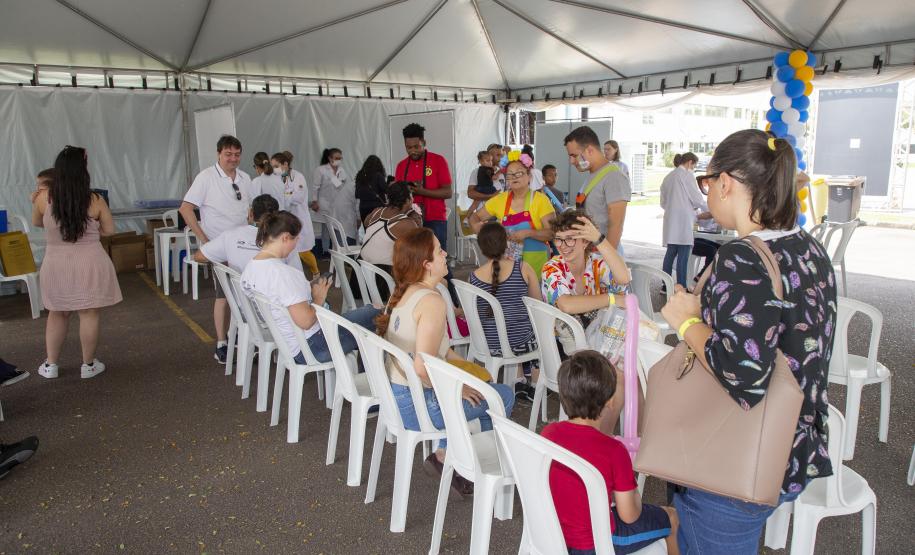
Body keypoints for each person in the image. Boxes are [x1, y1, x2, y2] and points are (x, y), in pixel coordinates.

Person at [660, 129, 837, 554]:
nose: (708, 193)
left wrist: (687, 323)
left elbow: (743, 375)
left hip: (735, 463)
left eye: (708, 182)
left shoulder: (742, 258)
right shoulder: (808, 248)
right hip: (793, 450)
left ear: (725, 182)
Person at [375, 227, 515, 496]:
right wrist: (459, 389)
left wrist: (468, 373)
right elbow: (422, 367)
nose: (445, 254)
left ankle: (444, 452)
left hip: (400, 395)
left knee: (483, 384)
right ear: (426, 264)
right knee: (503, 396)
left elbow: (439, 353)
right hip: (419, 405)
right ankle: (476, 470)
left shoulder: (408, 291)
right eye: (439, 251)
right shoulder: (432, 300)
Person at [542, 350, 679, 555]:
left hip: (554, 536)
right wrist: (635, 496)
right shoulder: (614, 450)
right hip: (598, 543)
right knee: (672, 517)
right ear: (610, 402)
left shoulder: (549, 432)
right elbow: (630, 516)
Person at [240, 211, 380, 364]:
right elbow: (306, 322)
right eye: (296, 238)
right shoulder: (283, 274)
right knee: (380, 316)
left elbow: (283, 297)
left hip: (289, 343)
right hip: (313, 346)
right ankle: (373, 382)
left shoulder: (251, 267)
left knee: (370, 311)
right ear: (285, 237)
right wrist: (318, 298)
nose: (297, 243)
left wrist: (308, 289)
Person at [31, 146, 122, 379]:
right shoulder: (95, 199)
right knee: (88, 313)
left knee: (57, 313)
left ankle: (51, 365)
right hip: (90, 261)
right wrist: (94, 230)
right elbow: (110, 231)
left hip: (56, 262)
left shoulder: (43, 198)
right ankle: (88, 365)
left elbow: (38, 223)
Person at [180, 135, 252, 364]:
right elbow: (186, 209)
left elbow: (249, 210)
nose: (233, 159)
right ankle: (221, 343)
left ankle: (241, 335)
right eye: (228, 154)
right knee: (223, 296)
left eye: (237, 154)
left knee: (247, 292)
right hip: (220, 248)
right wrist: (204, 240)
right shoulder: (206, 177)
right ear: (219, 154)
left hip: (244, 246)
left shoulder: (245, 178)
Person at [469, 222, 540, 403]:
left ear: (482, 248)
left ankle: (517, 380)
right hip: (518, 342)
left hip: (488, 343)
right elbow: (537, 305)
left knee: (508, 327)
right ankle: (536, 385)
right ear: (507, 243)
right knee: (537, 333)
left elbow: (474, 310)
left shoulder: (473, 276)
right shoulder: (522, 268)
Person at [468, 150, 556, 275]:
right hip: (507, 264)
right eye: (509, 175)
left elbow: (552, 233)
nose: (514, 177)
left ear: (529, 176)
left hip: (536, 263)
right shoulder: (500, 199)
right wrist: (477, 227)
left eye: (519, 173)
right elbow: (475, 217)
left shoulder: (541, 200)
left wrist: (528, 233)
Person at [194, 194, 303, 273]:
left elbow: (199, 256)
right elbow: (298, 275)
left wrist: (229, 257)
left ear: (250, 213)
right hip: (275, 302)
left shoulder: (230, 236)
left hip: (241, 301)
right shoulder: (285, 241)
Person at [394, 123, 453, 262]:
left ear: (424, 143)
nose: (413, 151)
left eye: (416, 147)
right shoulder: (401, 166)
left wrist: (422, 191)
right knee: (415, 262)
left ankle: (447, 284)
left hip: (435, 219)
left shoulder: (438, 160)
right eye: (408, 148)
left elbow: (447, 192)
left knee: (438, 260)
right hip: (410, 220)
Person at [565, 127, 631, 250]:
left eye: (574, 155)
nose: (571, 161)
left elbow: (616, 225)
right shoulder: (594, 175)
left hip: (603, 255)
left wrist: (606, 260)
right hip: (591, 252)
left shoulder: (614, 176)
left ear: (590, 150)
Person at [359, 181, 422, 298]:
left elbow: (367, 224)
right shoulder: (406, 223)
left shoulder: (376, 211)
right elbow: (420, 244)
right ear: (408, 200)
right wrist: (415, 219)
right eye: (412, 196)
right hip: (382, 279)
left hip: (360, 275)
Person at [660, 152, 711, 287]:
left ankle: (666, 286)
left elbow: (663, 203)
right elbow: (697, 198)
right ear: (690, 162)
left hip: (671, 221)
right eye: (694, 166)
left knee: (670, 254)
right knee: (683, 256)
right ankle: (681, 286)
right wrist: (710, 209)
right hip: (684, 221)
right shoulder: (687, 175)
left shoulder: (668, 177)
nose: (693, 169)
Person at [271, 152, 318, 277]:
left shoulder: (298, 177)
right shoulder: (276, 178)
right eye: (272, 167)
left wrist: (286, 195)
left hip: (298, 218)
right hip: (283, 221)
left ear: (285, 164)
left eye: (276, 166)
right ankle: (293, 278)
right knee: (288, 253)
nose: (274, 169)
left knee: (303, 252)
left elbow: (299, 197)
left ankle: (316, 274)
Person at [312, 147, 358, 251]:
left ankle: (337, 248)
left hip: (338, 203)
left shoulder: (342, 170)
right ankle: (325, 250)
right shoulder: (321, 170)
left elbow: (344, 185)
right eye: (336, 158)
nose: (338, 160)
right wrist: (315, 201)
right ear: (329, 158)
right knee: (326, 228)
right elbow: (315, 187)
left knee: (337, 227)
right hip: (324, 202)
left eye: (340, 158)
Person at [355, 155, 389, 225]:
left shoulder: (360, 175)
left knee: (368, 231)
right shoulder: (378, 175)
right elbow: (386, 190)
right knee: (378, 230)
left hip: (363, 208)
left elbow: (357, 194)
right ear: (379, 165)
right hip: (377, 208)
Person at [465, 150, 497, 218]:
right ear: (481, 161)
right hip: (486, 188)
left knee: (475, 203)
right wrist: (496, 172)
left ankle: (467, 218)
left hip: (480, 188)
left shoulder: (481, 169)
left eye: (491, 160)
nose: (490, 163)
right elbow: (493, 177)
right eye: (488, 161)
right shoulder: (488, 170)